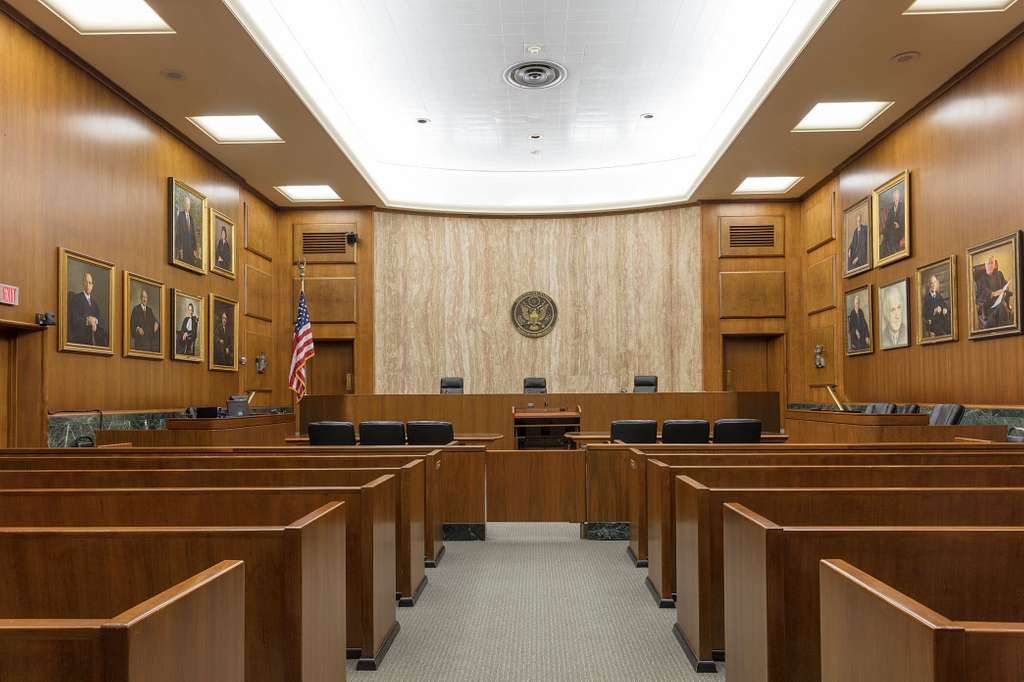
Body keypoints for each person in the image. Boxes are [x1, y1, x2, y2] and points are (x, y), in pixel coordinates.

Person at [67, 271, 108, 347]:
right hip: (81, 341)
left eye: (90, 283)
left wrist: (96, 320)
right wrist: (87, 321)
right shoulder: (77, 299)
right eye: (86, 282)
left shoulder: (94, 303)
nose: (88, 285)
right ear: (83, 283)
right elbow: (74, 319)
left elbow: (102, 320)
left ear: (92, 285)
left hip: (94, 341)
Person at [976, 255, 1013, 329]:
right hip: (989, 307)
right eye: (988, 263)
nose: (990, 265)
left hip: (1001, 302)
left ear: (994, 265)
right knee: (1003, 309)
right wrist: (993, 293)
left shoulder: (999, 274)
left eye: (992, 263)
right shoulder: (980, 279)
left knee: (1008, 311)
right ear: (985, 265)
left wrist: (1004, 291)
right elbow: (979, 297)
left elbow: (1005, 285)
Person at [129, 287, 160, 352]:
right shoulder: (136, 309)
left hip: (149, 342)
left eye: (146, 297)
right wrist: (138, 328)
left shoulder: (149, 310)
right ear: (140, 298)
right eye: (143, 297)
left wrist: (156, 323)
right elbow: (132, 324)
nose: (144, 299)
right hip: (140, 341)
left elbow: (154, 320)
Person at [879, 187, 905, 259]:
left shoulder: (903, 206)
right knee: (884, 241)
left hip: (901, 230)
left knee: (891, 237)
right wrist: (883, 233)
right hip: (892, 230)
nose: (896, 197)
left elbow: (906, 220)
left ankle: (894, 257)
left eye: (897, 195)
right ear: (893, 197)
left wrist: (899, 225)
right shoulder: (891, 210)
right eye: (894, 195)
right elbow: (887, 223)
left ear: (899, 196)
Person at [174, 194, 200, 267]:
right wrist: (180, 248)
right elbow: (177, 233)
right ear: (184, 204)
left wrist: (195, 249)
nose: (187, 206)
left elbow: (193, 235)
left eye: (188, 204)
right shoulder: (180, 216)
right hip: (183, 247)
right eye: (186, 204)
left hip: (191, 249)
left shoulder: (191, 218)